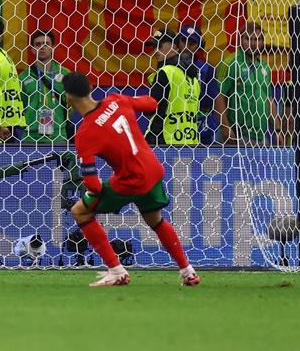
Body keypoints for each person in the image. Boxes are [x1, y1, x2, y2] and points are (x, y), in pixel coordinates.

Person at [62, 71, 201, 287]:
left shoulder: (85, 133)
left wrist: (95, 193)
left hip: (131, 180)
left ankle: (116, 270)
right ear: (91, 87)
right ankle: (188, 271)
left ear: (68, 98)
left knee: (80, 211)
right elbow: (152, 104)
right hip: (153, 170)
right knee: (155, 220)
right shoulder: (117, 99)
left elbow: (92, 183)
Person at [215, 22, 279, 145]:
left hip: (261, 136)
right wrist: (226, 128)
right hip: (238, 135)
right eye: (248, 39)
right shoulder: (231, 63)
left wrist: (277, 130)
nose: (253, 43)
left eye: (258, 39)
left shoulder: (264, 66)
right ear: (241, 40)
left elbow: (269, 99)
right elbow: (219, 98)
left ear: (262, 42)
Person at [19, 30, 72, 143]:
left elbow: (73, 104)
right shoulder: (23, 76)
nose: (42, 47)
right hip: (30, 138)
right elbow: (20, 106)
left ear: (53, 47)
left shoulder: (65, 74)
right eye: (38, 44)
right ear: (32, 49)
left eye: (46, 44)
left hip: (58, 136)